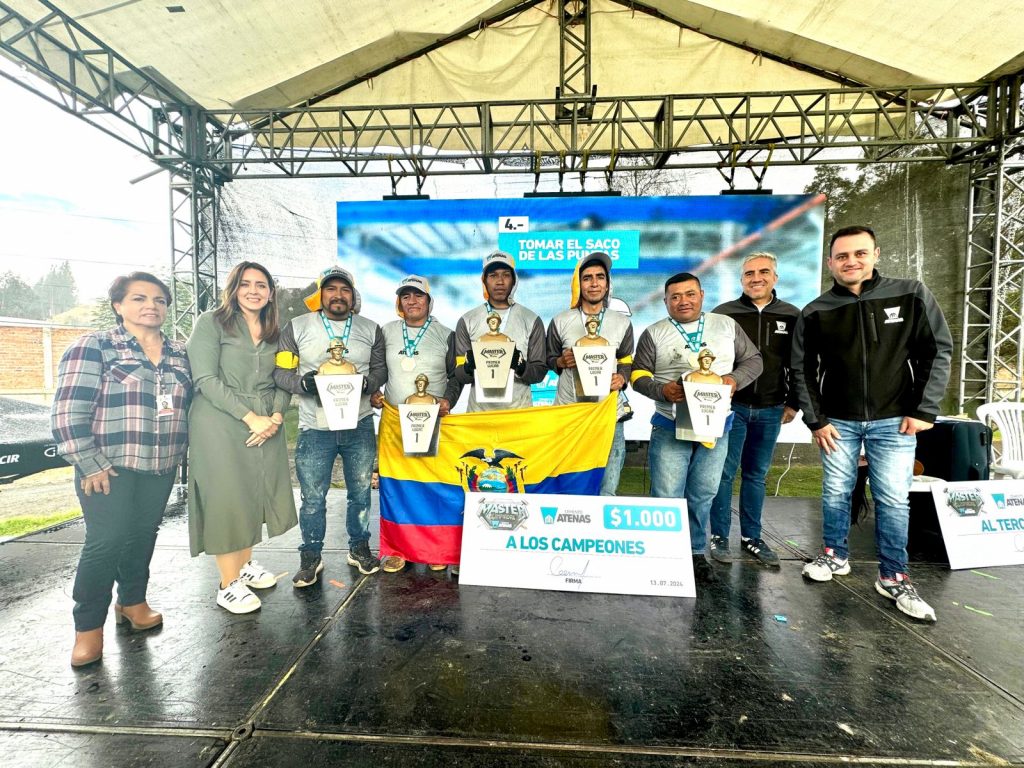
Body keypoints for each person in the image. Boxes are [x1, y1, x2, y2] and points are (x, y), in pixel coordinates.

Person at [792, 225, 952, 622]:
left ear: (875, 254)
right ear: (830, 262)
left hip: (896, 420)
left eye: (859, 254)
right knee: (834, 492)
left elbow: (938, 350)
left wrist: (923, 409)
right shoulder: (816, 310)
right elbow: (801, 369)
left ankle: (893, 576)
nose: (851, 262)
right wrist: (816, 420)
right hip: (838, 423)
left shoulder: (911, 293)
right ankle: (834, 555)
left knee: (894, 500)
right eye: (842, 256)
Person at [52, 272, 192, 668]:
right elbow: (67, 411)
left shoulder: (179, 353)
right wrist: (88, 462)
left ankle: (132, 602)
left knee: (142, 534)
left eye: (159, 300)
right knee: (105, 541)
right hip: (107, 467)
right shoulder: (93, 346)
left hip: (161, 465)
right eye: (139, 298)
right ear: (119, 305)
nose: (151, 305)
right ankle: (87, 629)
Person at [631, 272, 762, 584]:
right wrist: (662, 390)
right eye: (674, 297)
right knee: (666, 494)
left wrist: (733, 380)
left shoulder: (726, 325)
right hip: (670, 425)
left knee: (703, 492)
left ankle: (693, 552)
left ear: (702, 295)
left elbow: (754, 361)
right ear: (665, 302)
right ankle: (662, 553)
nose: (683, 301)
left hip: (716, 427)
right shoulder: (654, 332)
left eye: (689, 294)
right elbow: (637, 374)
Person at [186, 261, 297, 615]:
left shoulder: (278, 331)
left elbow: (286, 376)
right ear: (233, 288)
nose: (254, 290)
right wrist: (252, 418)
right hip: (220, 421)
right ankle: (227, 583)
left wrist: (276, 416)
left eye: (261, 284)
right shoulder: (210, 323)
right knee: (227, 498)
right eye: (246, 283)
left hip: (268, 419)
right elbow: (205, 379)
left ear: (270, 292)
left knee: (255, 494)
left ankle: (244, 566)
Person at [274, 266, 387, 586]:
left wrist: (366, 383)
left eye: (345, 290)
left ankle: (360, 548)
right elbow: (280, 374)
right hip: (314, 428)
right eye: (331, 289)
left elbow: (380, 370)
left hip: (360, 425)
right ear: (320, 294)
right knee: (312, 497)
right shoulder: (296, 327)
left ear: (353, 295)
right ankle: (311, 556)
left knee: (361, 493)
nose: (338, 295)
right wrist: (303, 384)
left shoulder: (371, 328)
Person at [709, 252, 800, 568]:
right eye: (749, 273)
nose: (756, 278)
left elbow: (799, 364)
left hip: (772, 408)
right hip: (730, 409)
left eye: (763, 272)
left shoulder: (791, 315)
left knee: (756, 475)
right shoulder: (724, 314)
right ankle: (718, 536)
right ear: (741, 279)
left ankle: (752, 538)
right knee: (722, 474)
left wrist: (795, 402)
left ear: (775, 277)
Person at [370, 275, 460, 573]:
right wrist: (372, 388)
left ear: (428, 300)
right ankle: (398, 549)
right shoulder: (386, 332)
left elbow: (457, 376)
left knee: (432, 485)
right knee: (397, 486)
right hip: (395, 422)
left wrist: (447, 399)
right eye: (406, 296)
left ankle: (435, 549)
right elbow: (378, 370)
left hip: (432, 422)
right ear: (399, 302)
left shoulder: (446, 335)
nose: (412, 301)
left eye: (418, 295)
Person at [545, 252, 634, 495]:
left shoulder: (621, 322)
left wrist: (622, 378)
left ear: (607, 283)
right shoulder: (560, 321)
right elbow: (547, 360)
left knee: (607, 488)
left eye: (600, 277)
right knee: (566, 482)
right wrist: (561, 360)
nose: (594, 283)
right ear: (578, 284)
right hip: (569, 413)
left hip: (607, 414)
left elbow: (626, 361)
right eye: (587, 278)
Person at [453, 251, 547, 411]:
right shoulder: (467, 321)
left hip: (519, 414)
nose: (500, 281)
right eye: (493, 275)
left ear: (514, 280)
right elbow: (459, 374)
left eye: (506, 275)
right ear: (484, 280)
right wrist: (469, 367)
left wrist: (520, 365)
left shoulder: (531, 320)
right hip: (479, 415)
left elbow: (539, 372)